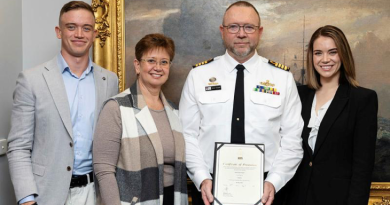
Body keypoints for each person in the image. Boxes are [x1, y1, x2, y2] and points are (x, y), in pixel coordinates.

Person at [179, 1, 304, 205]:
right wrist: (202, 178)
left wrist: (274, 181)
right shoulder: (199, 76)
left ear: (259, 32)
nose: (241, 34)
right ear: (222, 31)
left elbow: (292, 140)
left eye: (249, 27)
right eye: (233, 27)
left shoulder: (282, 78)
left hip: (268, 191)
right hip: (210, 188)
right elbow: (187, 136)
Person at [7, 1, 119, 205]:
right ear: (59, 32)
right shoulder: (31, 80)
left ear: (94, 34)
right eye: (71, 27)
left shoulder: (109, 80)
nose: (79, 34)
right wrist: (27, 199)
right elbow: (18, 147)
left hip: (95, 194)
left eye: (86, 28)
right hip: (46, 195)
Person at [285, 25, 378, 205]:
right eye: (318, 53)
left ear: (343, 55)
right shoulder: (298, 95)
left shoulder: (362, 99)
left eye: (332, 52)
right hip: (294, 197)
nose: (325, 59)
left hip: (337, 199)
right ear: (311, 57)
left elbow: (363, 167)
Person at [93, 33, 188, 205]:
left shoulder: (175, 112)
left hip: (172, 199)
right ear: (137, 65)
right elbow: (103, 169)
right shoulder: (116, 108)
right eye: (151, 60)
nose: (158, 67)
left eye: (164, 62)